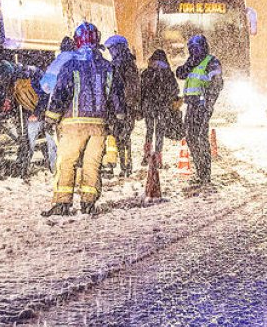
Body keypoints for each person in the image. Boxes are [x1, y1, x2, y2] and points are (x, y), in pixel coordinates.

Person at [41, 22, 125, 216]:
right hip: (99, 126)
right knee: (91, 164)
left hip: (73, 125)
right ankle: (88, 203)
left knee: (67, 163)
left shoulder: (70, 65)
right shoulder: (108, 67)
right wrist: (118, 118)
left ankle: (62, 203)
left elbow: (60, 92)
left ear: (77, 41)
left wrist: (51, 118)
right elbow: (116, 96)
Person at [175, 34, 223, 187]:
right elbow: (180, 74)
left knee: (200, 138)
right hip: (191, 105)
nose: (193, 51)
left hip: (202, 106)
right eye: (191, 49)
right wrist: (189, 63)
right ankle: (200, 170)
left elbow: (216, 84)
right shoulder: (193, 62)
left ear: (202, 47)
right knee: (190, 137)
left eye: (195, 48)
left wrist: (208, 104)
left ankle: (205, 174)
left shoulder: (212, 62)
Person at [104, 35, 141, 177]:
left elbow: (120, 89)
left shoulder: (121, 64)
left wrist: (121, 108)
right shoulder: (128, 63)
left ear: (118, 48)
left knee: (120, 137)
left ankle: (123, 166)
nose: (110, 52)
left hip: (121, 108)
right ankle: (124, 166)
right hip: (124, 107)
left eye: (111, 49)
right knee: (121, 137)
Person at [140, 49, 179, 168]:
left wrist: (141, 104)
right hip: (163, 106)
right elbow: (175, 89)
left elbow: (141, 89)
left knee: (149, 130)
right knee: (160, 131)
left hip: (149, 105)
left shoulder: (147, 72)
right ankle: (158, 157)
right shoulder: (168, 73)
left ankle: (147, 155)